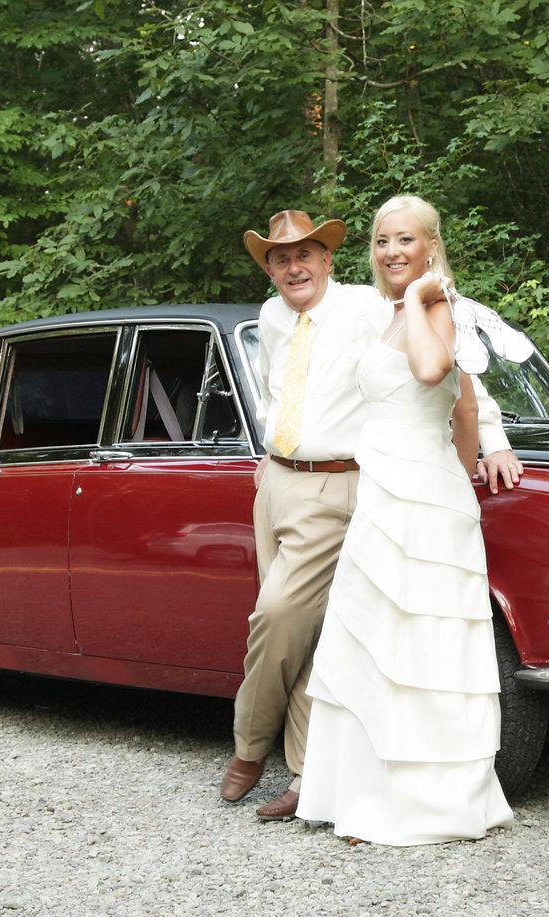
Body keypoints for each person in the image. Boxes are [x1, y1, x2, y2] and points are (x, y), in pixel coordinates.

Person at [221, 209, 523, 821]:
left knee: (279, 615)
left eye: (305, 254)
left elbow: (454, 371)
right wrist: (269, 456)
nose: (294, 267)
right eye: (280, 259)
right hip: (276, 480)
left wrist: (492, 440)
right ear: (269, 269)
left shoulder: (367, 306)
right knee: (306, 632)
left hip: (338, 482)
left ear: (328, 259)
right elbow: (275, 390)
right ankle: (308, 775)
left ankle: (249, 747)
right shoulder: (270, 318)